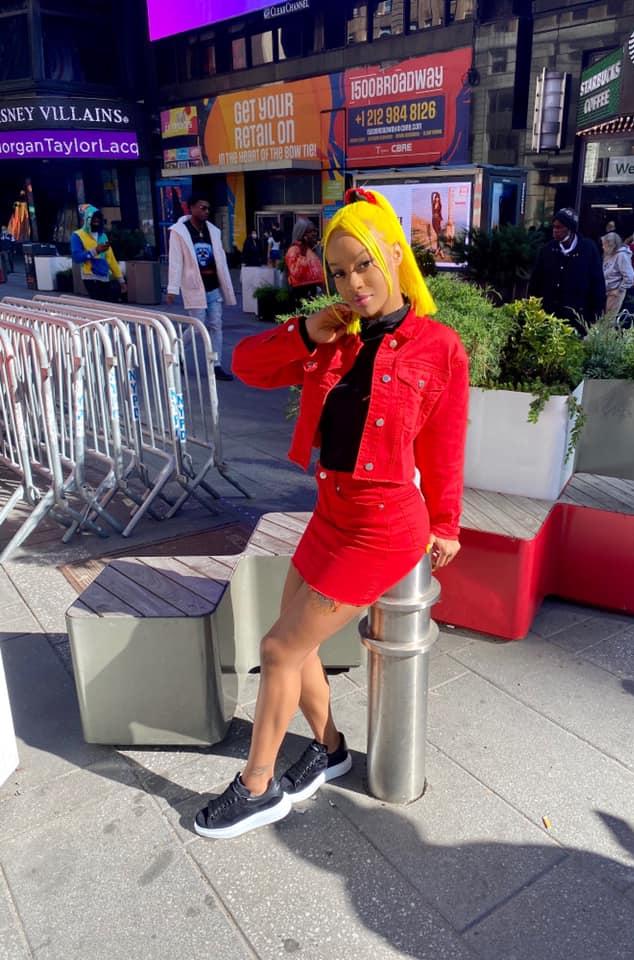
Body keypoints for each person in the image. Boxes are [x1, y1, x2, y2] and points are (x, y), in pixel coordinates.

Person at [193, 186, 469, 840]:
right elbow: (245, 366)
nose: (353, 283)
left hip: (384, 527)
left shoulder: (438, 346)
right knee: (297, 641)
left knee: (278, 647)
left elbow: (445, 444)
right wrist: (302, 330)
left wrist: (447, 524)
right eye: (340, 272)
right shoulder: (333, 336)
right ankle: (330, 748)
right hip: (330, 514)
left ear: (394, 255)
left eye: (364, 265)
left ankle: (258, 786)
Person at [166, 195, 236, 381]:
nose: (206, 211)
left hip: (213, 285)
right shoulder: (179, 232)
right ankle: (177, 349)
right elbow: (175, 261)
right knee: (198, 326)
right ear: (191, 208)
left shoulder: (212, 230)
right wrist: (172, 288)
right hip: (194, 286)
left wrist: (226, 284)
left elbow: (220, 258)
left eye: (208, 208)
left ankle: (216, 364)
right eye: (202, 207)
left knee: (216, 324)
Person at [528, 207, 606, 335]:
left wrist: (595, 317)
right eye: (554, 227)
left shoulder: (588, 250)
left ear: (570, 229)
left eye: (559, 227)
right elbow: (535, 282)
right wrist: (534, 310)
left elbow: (597, 285)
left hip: (578, 318)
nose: (555, 230)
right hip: (549, 316)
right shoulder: (547, 250)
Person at [70, 205, 126, 302]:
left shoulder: (103, 236)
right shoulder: (77, 235)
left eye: (98, 218)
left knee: (109, 304)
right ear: (88, 219)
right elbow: (76, 257)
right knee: (102, 304)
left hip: (104, 277)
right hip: (90, 277)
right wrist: (95, 251)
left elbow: (111, 259)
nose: (96, 220)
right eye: (94, 218)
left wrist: (121, 280)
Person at [284, 218, 325, 308]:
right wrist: (303, 252)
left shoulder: (313, 249)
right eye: (310, 231)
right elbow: (296, 273)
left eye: (315, 231)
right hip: (301, 294)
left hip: (315, 291)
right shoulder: (294, 250)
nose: (314, 234)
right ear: (302, 234)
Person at [601, 232, 634, 321]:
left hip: (615, 292)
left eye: (604, 244)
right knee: (602, 318)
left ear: (611, 245)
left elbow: (629, 276)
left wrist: (619, 290)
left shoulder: (621, 255)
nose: (603, 247)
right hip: (606, 290)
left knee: (608, 320)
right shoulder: (608, 254)